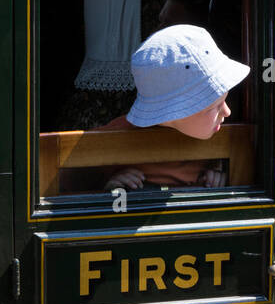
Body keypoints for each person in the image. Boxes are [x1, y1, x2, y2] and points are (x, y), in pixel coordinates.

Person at [99, 23, 249, 192]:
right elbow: (71, 187)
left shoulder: (224, 141)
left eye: (225, 100)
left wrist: (223, 178)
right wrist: (110, 187)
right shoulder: (110, 141)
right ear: (172, 113)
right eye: (214, 107)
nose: (227, 112)